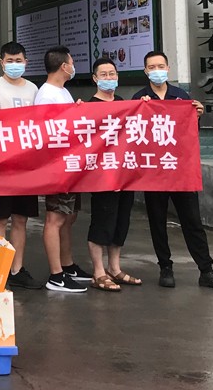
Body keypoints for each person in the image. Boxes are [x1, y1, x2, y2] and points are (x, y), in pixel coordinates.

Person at [133, 51, 213, 291]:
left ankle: (206, 270)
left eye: (160, 66)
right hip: (154, 172)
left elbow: (189, 132)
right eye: (151, 67)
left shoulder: (181, 96)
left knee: (192, 221)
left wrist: (196, 115)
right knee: (157, 221)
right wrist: (139, 110)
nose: (156, 70)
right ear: (145, 71)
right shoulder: (139, 98)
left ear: (168, 68)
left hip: (180, 170)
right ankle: (165, 267)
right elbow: (135, 135)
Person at [0, 42, 42, 290]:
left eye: (18, 61)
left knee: (21, 219)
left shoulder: (33, 89)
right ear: (1, 62)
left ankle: (17, 269)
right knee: (0, 220)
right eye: (10, 61)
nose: (14, 65)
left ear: (26, 62)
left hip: (26, 164)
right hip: (3, 165)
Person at [35, 45, 89, 293]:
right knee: (55, 218)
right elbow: (47, 132)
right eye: (72, 62)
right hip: (57, 166)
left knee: (69, 216)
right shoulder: (46, 95)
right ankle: (56, 275)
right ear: (63, 66)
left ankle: (68, 266)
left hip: (71, 163)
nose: (73, 66)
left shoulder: (62, 92)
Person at [84, 57, 139, 292]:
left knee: (121, 221)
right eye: (104, 74)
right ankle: (98, 272)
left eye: (112, 74)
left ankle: (114, 268)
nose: (109, 78)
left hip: (124, 174)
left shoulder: (124, 104)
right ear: (95, 78)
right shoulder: (88, 107)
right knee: (102, 221)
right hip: (102, 175)